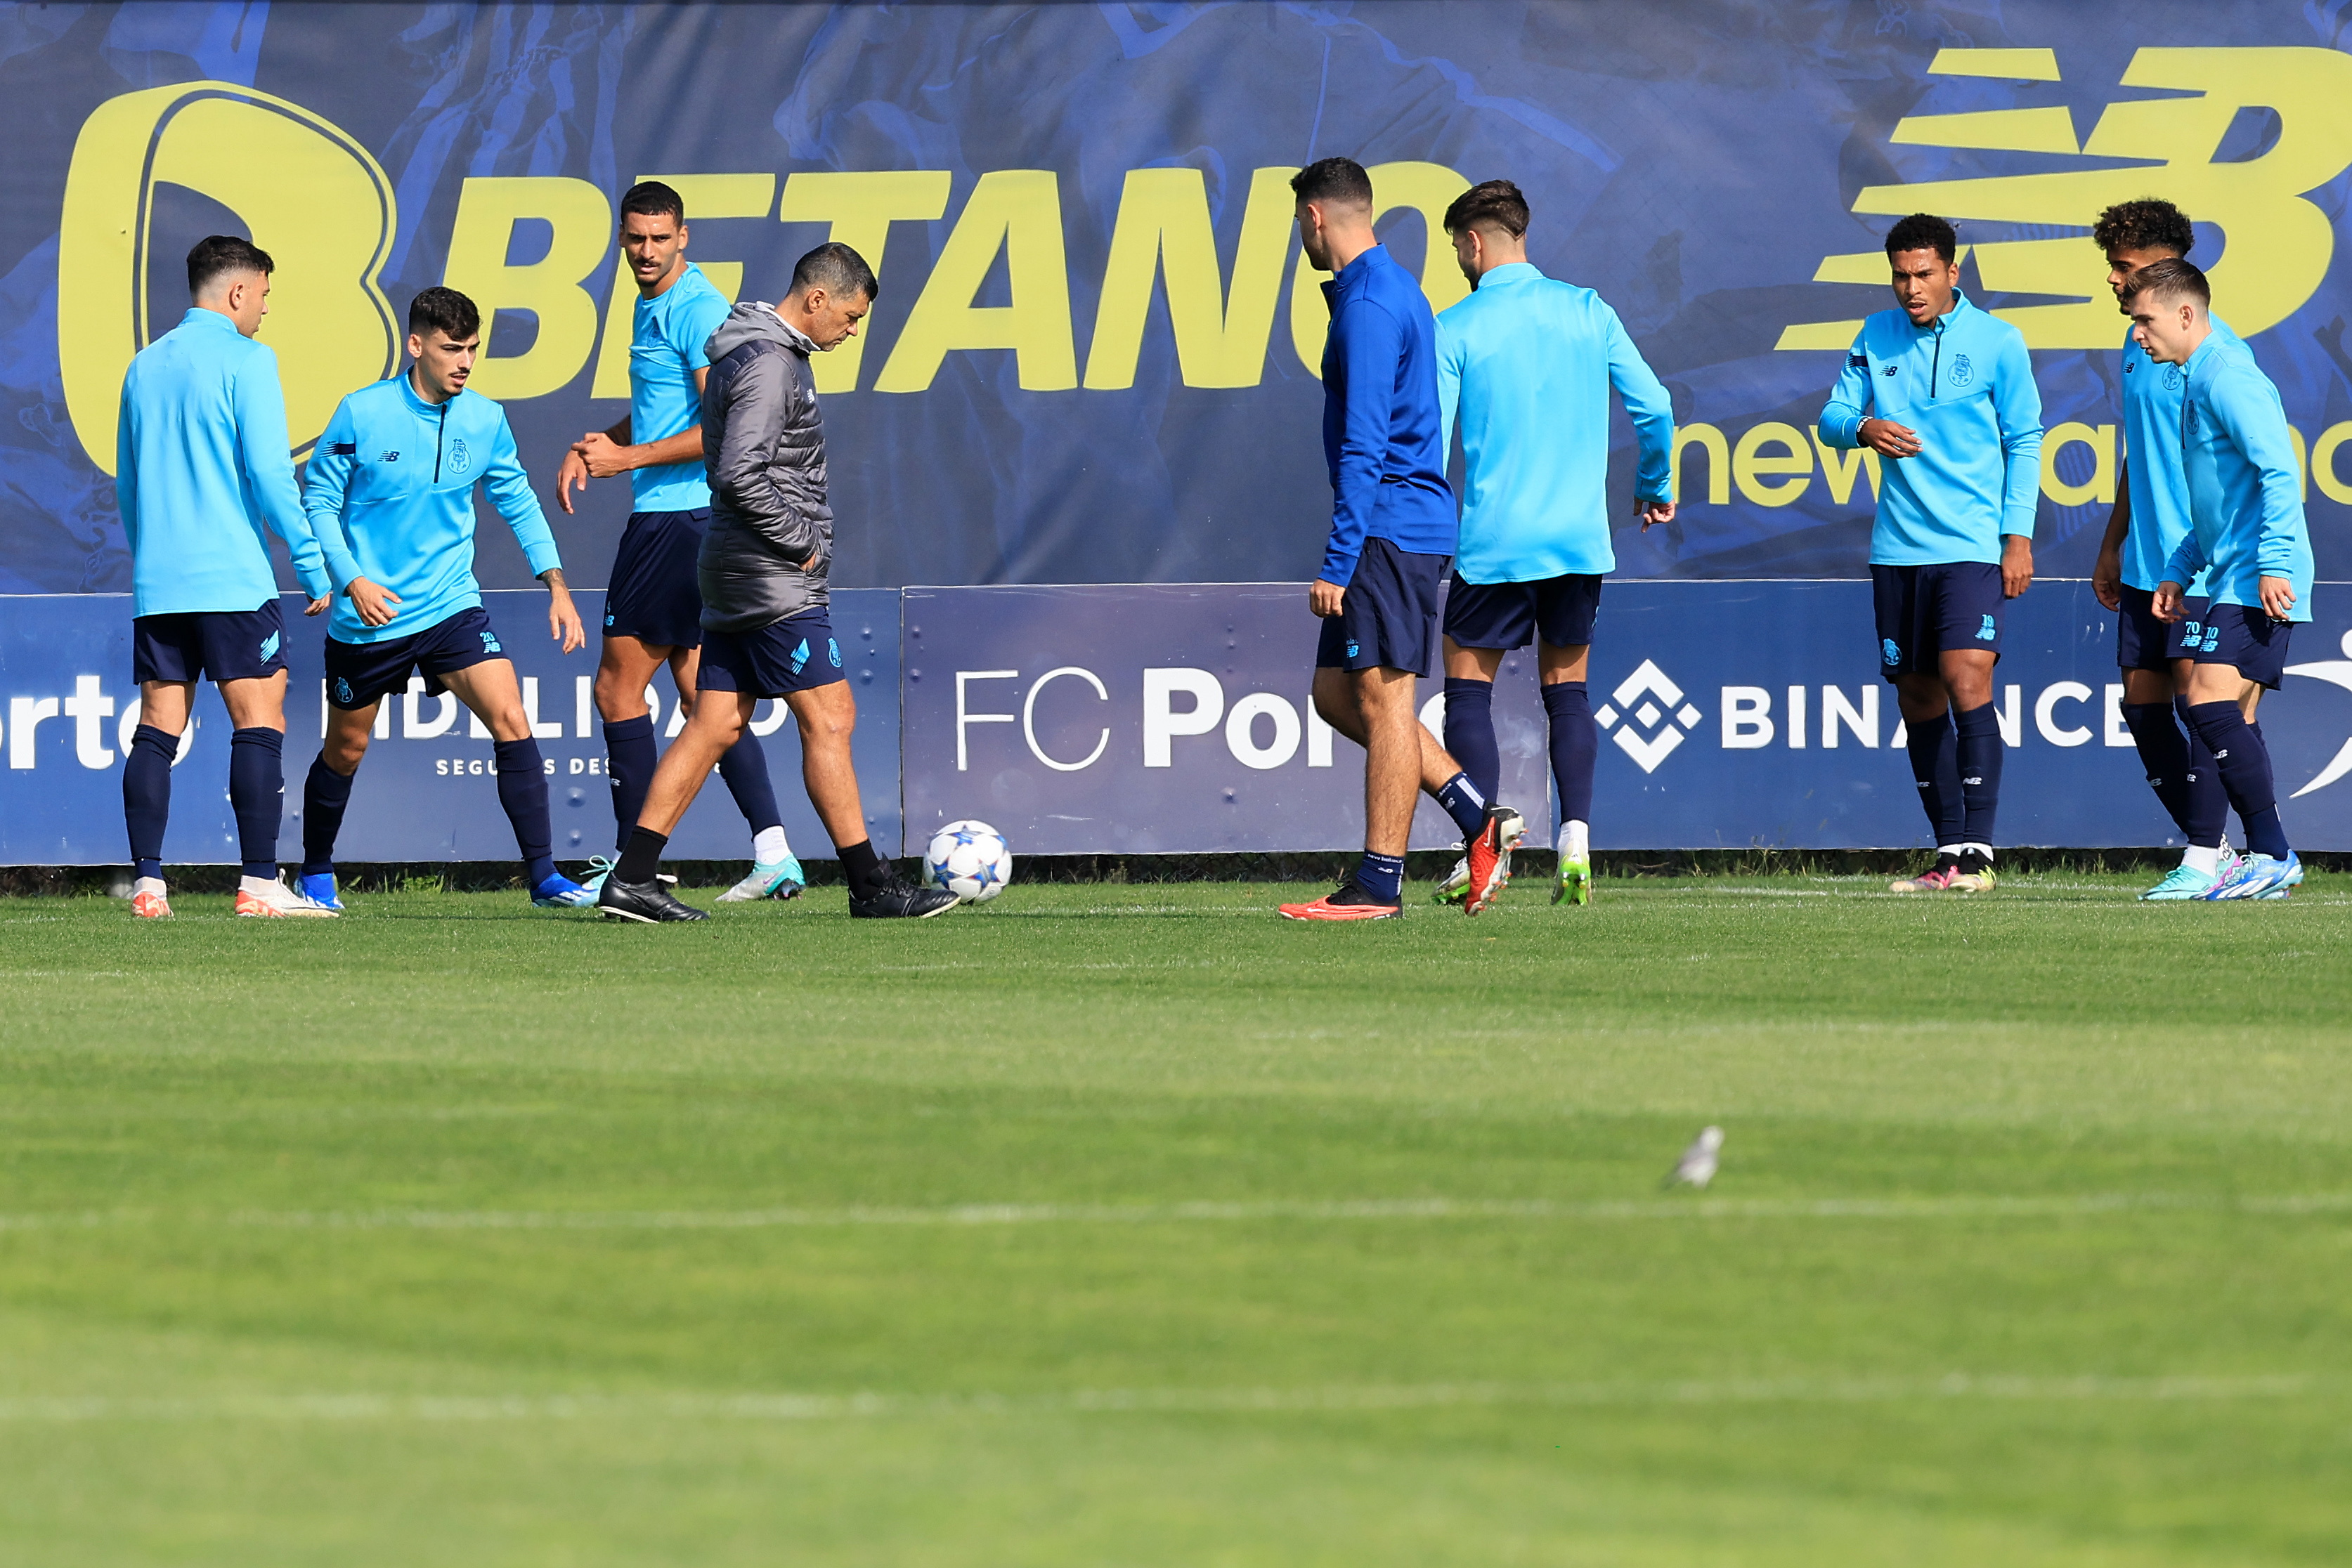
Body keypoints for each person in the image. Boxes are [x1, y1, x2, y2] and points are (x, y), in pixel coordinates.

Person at [595, 244, 956, 922]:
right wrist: (802, 543)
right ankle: (871, 884)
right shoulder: (768, 363)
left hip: (736, 565)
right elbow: (737, 471)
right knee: (830, 715)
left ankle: (633, 877)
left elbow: (723, 454)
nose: (852, 331)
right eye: (849, 316)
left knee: (715, 720)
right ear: (816, 299)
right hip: (769, 575)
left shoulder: (749, 351)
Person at [294, 287, 595, 911]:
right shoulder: (362, 412)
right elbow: (319, 500)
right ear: (416, 345)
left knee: (511, 717)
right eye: (451, 348)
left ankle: (543, 879)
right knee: (345, 749)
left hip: (451, 606)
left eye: (473, 349)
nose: (464, 362)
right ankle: (316, 871)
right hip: (370, 613)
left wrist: (557, 585)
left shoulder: (484, 419)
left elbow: (516, 499)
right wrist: (351, 578)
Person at [1277, 157, 1519, 923]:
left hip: (1387, 531)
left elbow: (1364, 444)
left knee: (1385, 704)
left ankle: (1379, 883)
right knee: (1333, 697)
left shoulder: (1372, 305)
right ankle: (1479, 816)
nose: (1298, 238)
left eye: (1297, 224)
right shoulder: (1376, 292)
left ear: (1316, 217)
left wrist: (1337, 561)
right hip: (1391, 527)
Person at [1427, 178, 1675, 909]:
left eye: (1456, 250)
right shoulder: (1586, 310)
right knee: (1566, 692)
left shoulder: (1457, 324)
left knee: (1465, 695)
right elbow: (1654, 405)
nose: (1458, 262)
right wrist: (1654, 481)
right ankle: (1576, 839)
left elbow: (1430, 444)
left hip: (1495, 544)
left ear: (1473, 243)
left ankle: (1479, 850)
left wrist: (1423, 528)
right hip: (1576, 544)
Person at [556, 181, 801, 904]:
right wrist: (609, 439)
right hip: (694, 519)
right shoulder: (653, 299)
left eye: (660, 239)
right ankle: (774, 852)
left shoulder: (694, 307)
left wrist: (625, 460)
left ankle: (638, 868)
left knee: (616, 688)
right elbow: (667, 408)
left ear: (684, 237)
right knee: (705, 696)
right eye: (635, 239)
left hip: (675, 520)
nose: (646, 252)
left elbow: (720, 426)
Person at [1818, 212, 2043, 894]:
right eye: (1899, 275)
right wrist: (1862, 426)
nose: (1910, 288)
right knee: (1915, 694)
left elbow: (2024, 440)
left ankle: (1978, 850)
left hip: (1972, 545)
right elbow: (1830, 417)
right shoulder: (1873, 335)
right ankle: (1947, 852)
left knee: (1964, 674)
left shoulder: (1997, 342)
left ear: (1952, 272)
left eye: (1922, 274)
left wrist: (2016, 537)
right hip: (1896, 549)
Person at [116, 235, 338, 919]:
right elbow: (272, 476)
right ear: (238, 292)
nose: (266, 309)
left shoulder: (143, 366)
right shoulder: (249, 360)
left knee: (158, 725)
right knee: (260, 715)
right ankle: (259, 883)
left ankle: (149, 884)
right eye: (265, 294)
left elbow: (128, 484)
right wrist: (309, 560)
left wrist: (151, 558)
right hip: (233, 580)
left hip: (160, 582)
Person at [2131, 259, 2312, 899]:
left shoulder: (2229, 378)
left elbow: (2279, 475)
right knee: (2208, 707)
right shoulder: (2189, 379)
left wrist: (2275, 563)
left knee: (2206, 705)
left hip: (2258, 577)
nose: (2138, 334)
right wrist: (2180, 570)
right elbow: (2214, 504)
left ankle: (2271, 853)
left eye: (2145, 320)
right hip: (2227, 573)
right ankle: (2265, 856)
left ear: (2185, 314)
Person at [2088, 200, 2249, 899]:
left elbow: (2252, 462)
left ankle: (2208, 855)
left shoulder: (2215, 352)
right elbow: (2140, 451)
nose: (2113, 282)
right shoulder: (2135, 341)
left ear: (2165, 268)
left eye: (2122, 269)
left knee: (2204, 706)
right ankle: (2221, 849)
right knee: (2141, 708)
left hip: (2201, 565)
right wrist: (2110, 539)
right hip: (2141, 561)